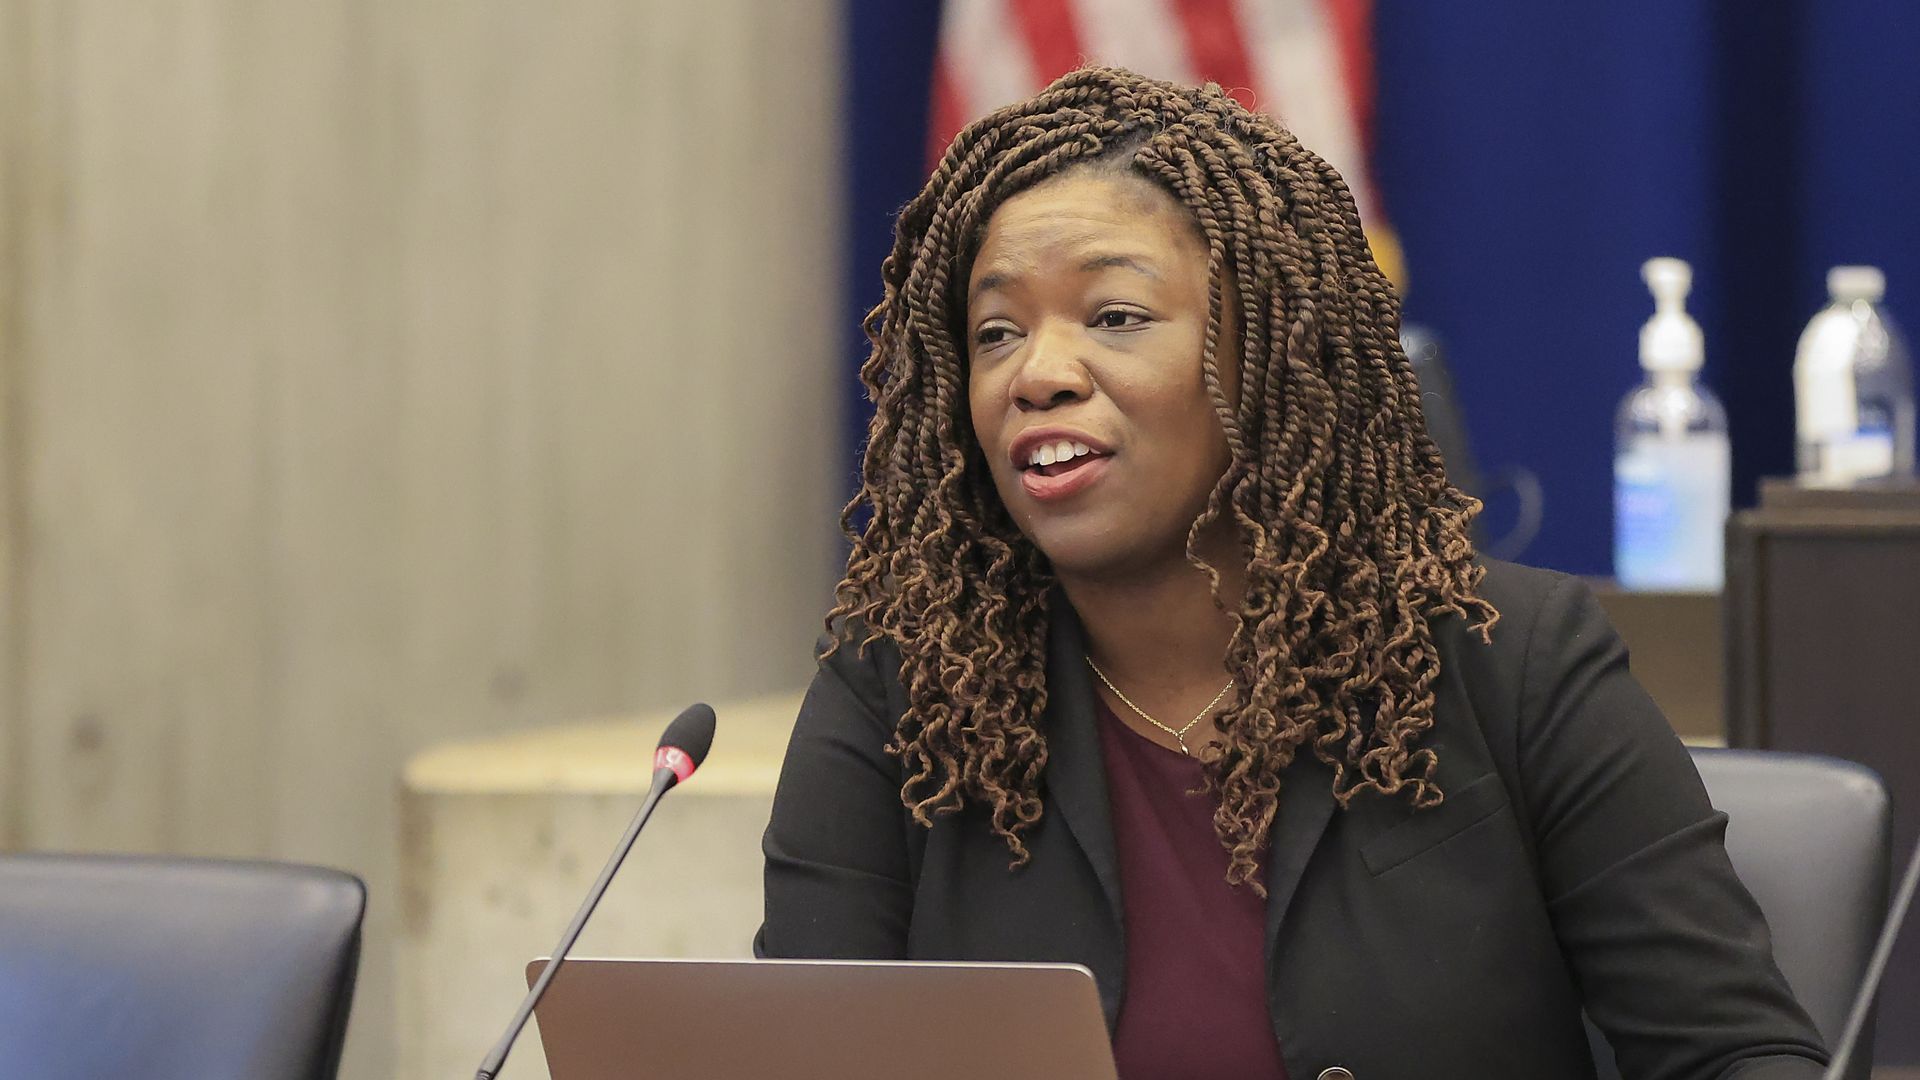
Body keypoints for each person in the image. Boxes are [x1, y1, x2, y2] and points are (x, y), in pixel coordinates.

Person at [756, 66, 1827, 1079]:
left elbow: (1740, 1055)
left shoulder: (1511, 665)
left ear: (1267, 358)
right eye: (995, 332)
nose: (1037, 373)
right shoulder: (899, 698)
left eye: (1114, 317)